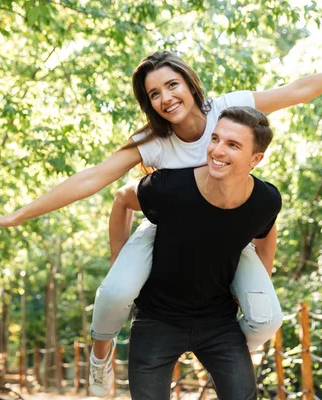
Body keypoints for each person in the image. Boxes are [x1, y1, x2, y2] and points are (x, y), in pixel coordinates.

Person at [0, 35, 322, 396]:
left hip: (227, 232)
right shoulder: (152, 143)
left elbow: (299, 89)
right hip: (165, 231)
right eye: (153, 94)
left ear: (191, 85)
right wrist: (19, 216)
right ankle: (103, 355)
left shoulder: (228, 110)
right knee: (117, 292)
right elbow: (93, 179)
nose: (164, 98)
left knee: (268, 316)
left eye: (171, 85)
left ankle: (223, 354)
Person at [115, 106, 280, 400]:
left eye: (232, 144)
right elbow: (122, 200)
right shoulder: (170, 187)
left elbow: (266, 236)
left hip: (219, 323)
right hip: (157, 319)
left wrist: (257, 289)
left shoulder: (265, 200)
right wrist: (118, 265)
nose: (217, 150)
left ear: (256, 159)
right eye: (215, 139)